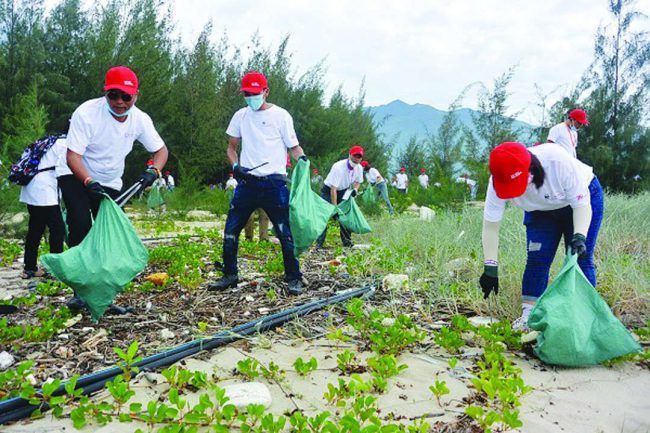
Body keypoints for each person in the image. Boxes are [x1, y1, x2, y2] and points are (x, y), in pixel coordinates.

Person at [56, 65, 168, 309]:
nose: (119, 102)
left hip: (109, 180)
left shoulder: (140, 119)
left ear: (136, 95)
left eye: (126, 97)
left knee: (112, 234)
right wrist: (88, 181)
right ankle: (80, 292)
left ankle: (104, 294)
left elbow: (160, 150)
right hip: (75, 174)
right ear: (105, 93)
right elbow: (73, 156)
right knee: (80, 226)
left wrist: (153, 171)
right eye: (113, 95)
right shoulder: (87, 113)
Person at [480, 142, 603, 331]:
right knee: (537, 259)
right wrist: (490, 266)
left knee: (579, 258)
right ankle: (529, 317)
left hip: (580, 202)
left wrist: (579, 236)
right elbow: (491, 228)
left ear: (530, 170)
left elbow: (582, 206)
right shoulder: (497, 180)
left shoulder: (556, 161)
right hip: (539, 211)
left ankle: (584, 319)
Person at [208, 71, 307, 295]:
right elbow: (231, 147)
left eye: (254, 93)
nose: (250, 97)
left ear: (265, 92)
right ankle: (230, 274)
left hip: (274, 183)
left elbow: (293, 147)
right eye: (247, 94)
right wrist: (235, 167)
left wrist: (302, 160)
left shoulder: (281, 116)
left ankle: (294, 276)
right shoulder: (240, 116)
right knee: (231, 229)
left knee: (284, 232)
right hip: (247, 182)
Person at [20, 138, 67, 279]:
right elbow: (66, 167)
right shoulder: (64, 143)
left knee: (35, 228)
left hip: (32, 186)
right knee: (57, 229)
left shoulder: (47, 141)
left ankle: (29, 268)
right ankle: (54, 269)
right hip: (45, 190)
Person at [316, 145, 364, 248]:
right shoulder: (338, 167)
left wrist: (355, 189)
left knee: (346, 215)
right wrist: (335, 208)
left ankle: (346, 241)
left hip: (343, 191)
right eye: (355, 156)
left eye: (359, 157)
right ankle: (319, 243)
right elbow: (333, 189)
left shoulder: (359, 168)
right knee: (324, 216)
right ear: (350, 155)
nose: (357, 159)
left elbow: (358, 181)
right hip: (329, 191)